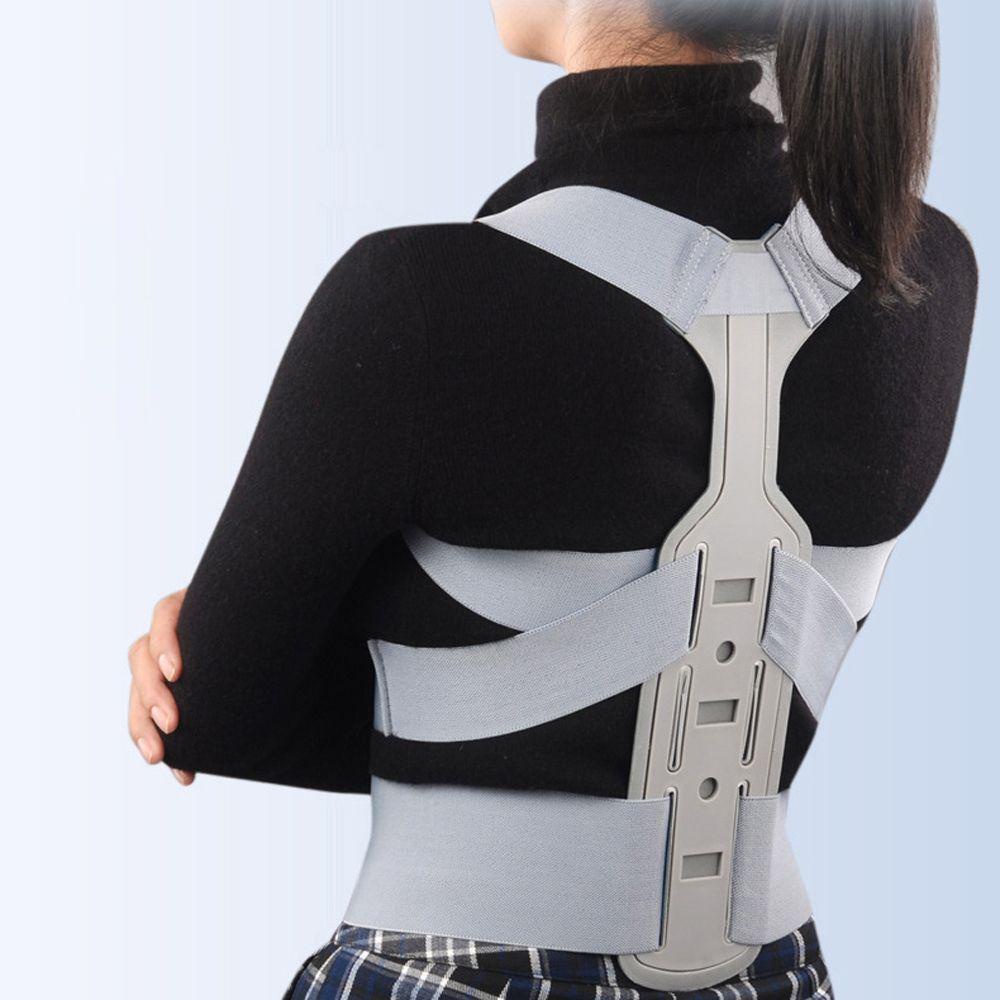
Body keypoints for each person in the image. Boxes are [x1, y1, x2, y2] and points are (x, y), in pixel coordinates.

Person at [126, 1, 976, 997]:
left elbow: (208, 711)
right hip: (777, 976)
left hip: (450, 971)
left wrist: (254, 635)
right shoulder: (926, 273)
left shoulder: (417, 300)